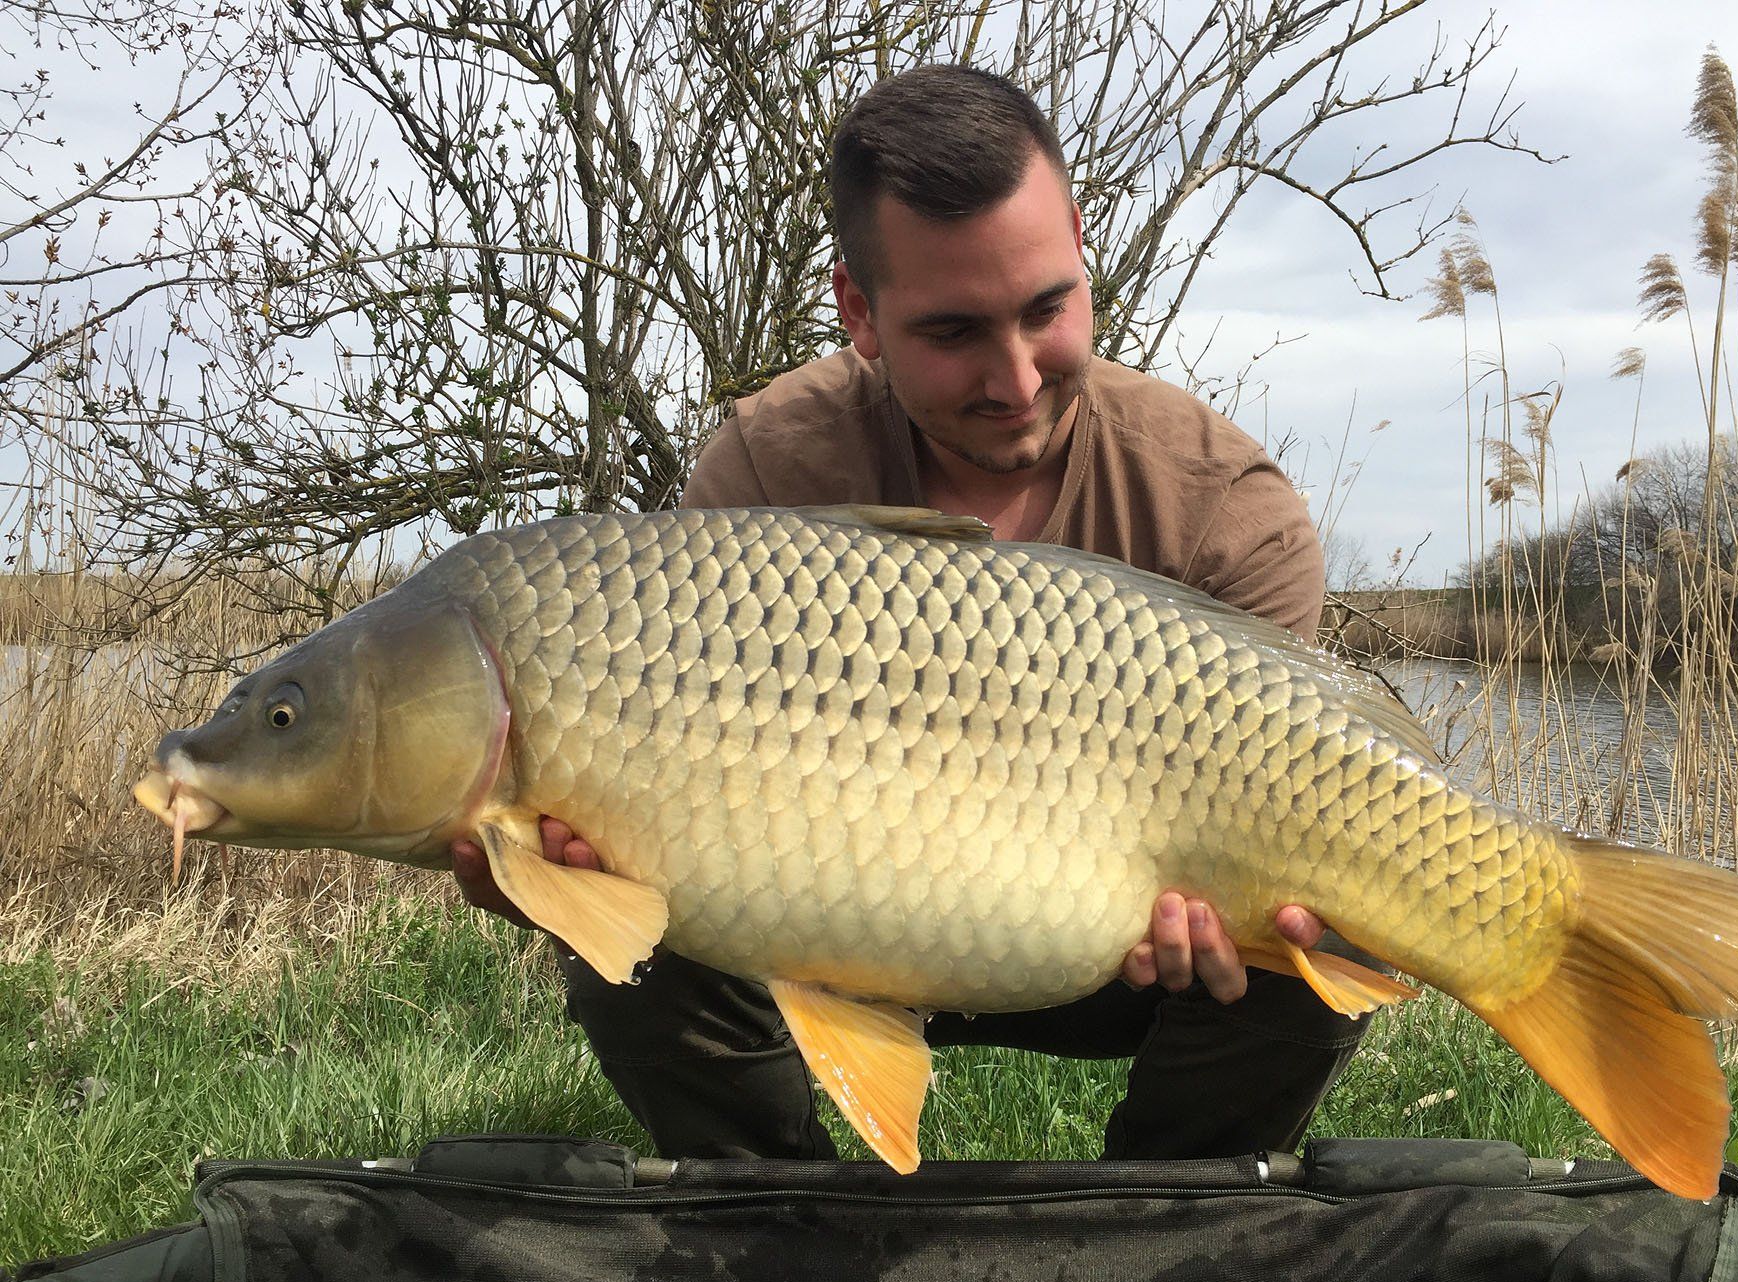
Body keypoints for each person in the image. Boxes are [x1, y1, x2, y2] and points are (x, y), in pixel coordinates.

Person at [452, 65, 1369, 1163]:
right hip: (823, 920)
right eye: (954, 333)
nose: (1017, 379)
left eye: (1047, 308)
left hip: (1113, 951)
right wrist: (551, 876)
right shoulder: (766, 468)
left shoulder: (1227, 511)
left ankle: (1151, 1228)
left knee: (1337, 928)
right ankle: (775, 1216)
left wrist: (1239, 922)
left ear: (1080, 244)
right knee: (627, 918)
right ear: (860, 313)